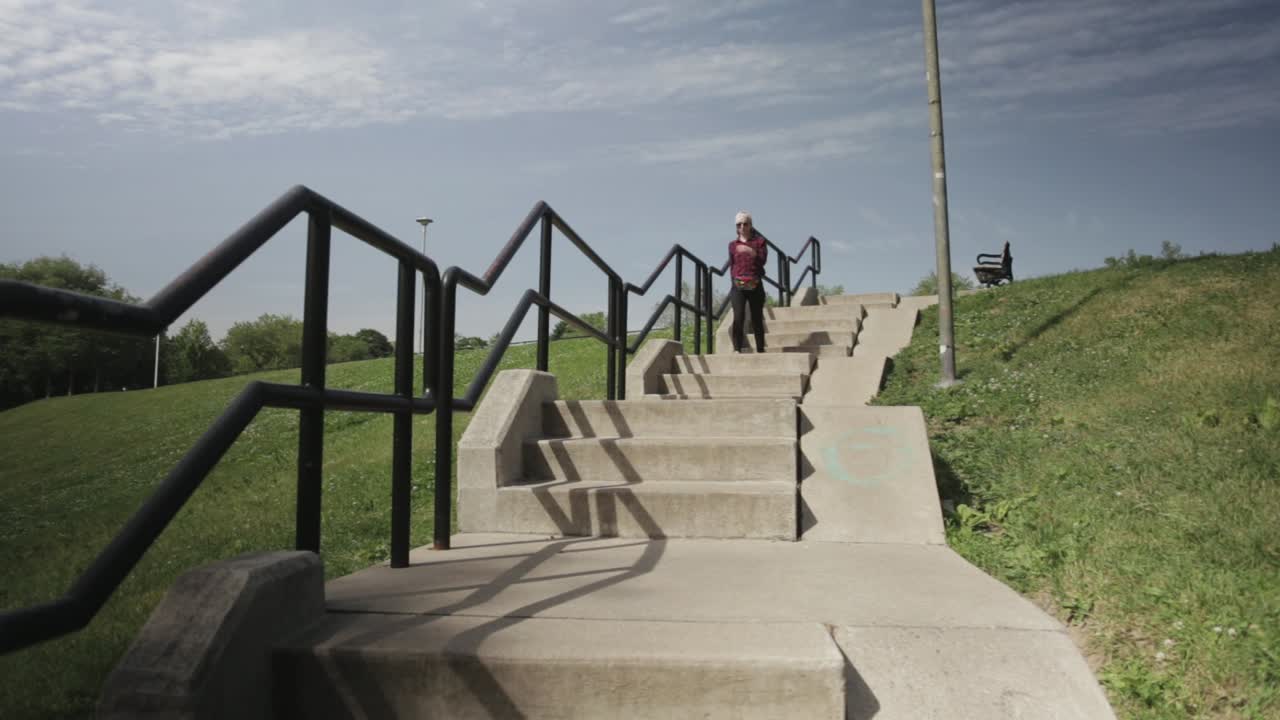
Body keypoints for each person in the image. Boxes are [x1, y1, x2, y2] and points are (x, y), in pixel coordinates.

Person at [728, 210, 767, 353]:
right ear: (736, 227)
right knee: (738, 317)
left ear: (751, 225)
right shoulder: (732, 245)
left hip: (755, 283)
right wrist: (733, 280)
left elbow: (763, 261)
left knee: (757, 318)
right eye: (739, 224)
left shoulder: (760, 242)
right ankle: (737, 349)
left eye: (745, 224)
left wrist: (752, 252)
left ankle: (760, 349)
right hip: (738, 285)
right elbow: (732, 265)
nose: (742, 227)